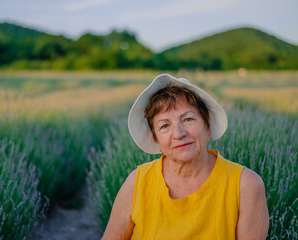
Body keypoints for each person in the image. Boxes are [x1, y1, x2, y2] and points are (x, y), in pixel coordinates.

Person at [101, 74, 269, 240]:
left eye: (188, 119)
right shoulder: (137, 183)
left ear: (207, 124)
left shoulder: (245, 184)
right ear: (156, 138)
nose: (179, 134)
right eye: (165, 126)